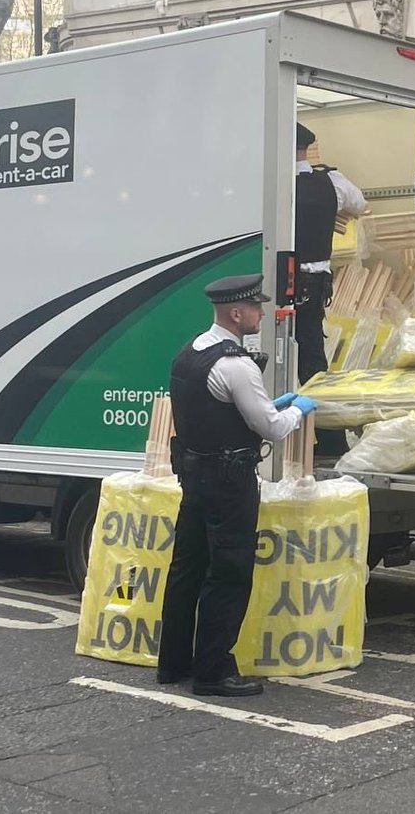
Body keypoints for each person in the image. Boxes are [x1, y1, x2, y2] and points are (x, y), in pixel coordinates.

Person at [159, 274, 317, 697]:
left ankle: (173, 663)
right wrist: (297, 410)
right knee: (227, 573)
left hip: (193, 474)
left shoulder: (189, 351)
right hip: (229, 481)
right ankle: (213, 672)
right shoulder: (236, 364)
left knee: (186, 568)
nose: (261, 313)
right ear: (235, 313)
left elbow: (217, 410)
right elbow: (271, 428)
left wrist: (267, 406)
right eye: (255, 308)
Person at [295, 122, 367, 455]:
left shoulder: (273, 181)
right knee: (312, 362)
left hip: (278, 284)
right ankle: (330, 439)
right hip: (314, 286)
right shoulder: (331, 182)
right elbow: (359, 204)